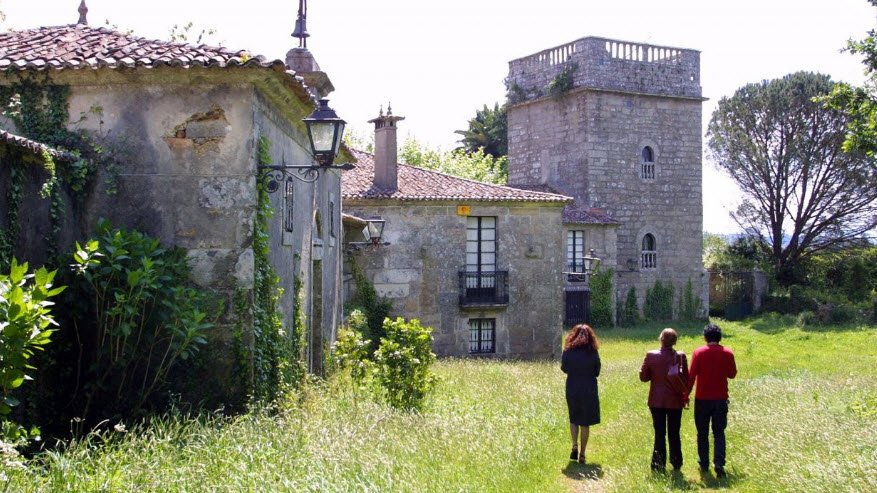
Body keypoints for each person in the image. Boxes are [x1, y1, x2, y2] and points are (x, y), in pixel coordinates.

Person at [687, 323, 737, 478]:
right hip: (720, 399)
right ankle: (719, 464)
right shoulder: (727, 353)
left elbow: (691, 376)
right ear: (720, 337)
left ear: (705, 337)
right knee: (719, 432)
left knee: (702, 433)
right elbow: (732, 374)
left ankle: (704, 463)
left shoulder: (699, 352)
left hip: (702, 399)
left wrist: (685, 395)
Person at [639, 328, 689, 472]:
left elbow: (644, 378)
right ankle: (676, 462)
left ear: (661, 339)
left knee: (659, 433)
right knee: (674, 432)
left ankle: (658, 464)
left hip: (657, 400)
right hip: (675, 400)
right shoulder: (680, 356)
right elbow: (686, 379)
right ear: (675, 341)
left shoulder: (651, 355)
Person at [561, 323, 601, 464]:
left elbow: (564, 368)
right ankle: (582, 454)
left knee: (574, 419)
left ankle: (574, 445)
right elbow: (597, 371)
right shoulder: (593, 352)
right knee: (585, 422)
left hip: (572, 388)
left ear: (573, 335)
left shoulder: (568, 351)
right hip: (589, 389)